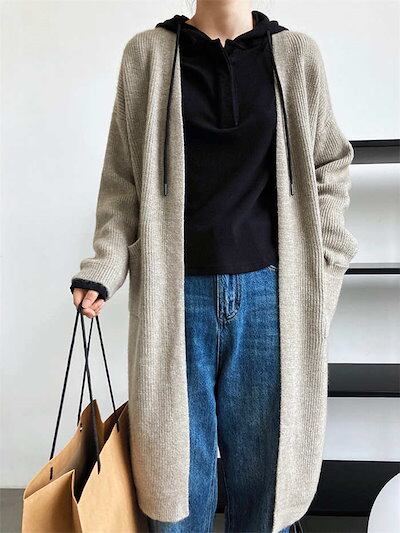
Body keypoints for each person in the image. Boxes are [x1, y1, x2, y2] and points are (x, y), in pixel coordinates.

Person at [70, 1, 358, 532]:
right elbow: (122, 182)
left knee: (267, 484)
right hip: (175, 299)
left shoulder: (296, 56)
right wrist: (104, 266)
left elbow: (330, 164)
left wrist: (325, 266)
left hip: (272, 298)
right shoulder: (148, 56)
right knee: (175, 486)